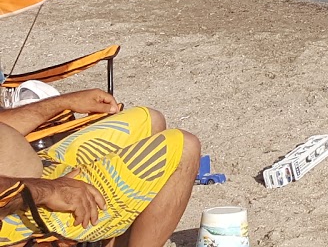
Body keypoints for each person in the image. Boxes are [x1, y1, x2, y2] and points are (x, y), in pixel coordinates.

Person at [0, 88, 200, 247]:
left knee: (149, 120)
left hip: (40, 169)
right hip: (21, 205)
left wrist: (63, 102)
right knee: (184, 148)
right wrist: (51, 189)